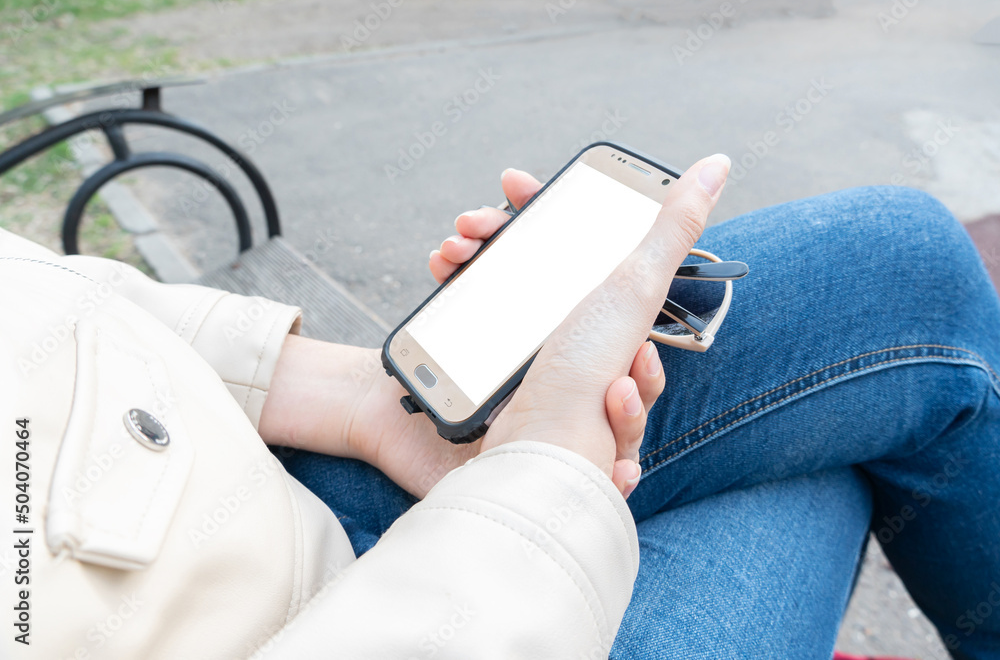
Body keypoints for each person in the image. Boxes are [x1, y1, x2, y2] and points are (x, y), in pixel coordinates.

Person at [1, 154, 997, 660]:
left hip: (265, 471)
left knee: (901, 259)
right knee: (827, 445)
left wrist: (348, 396)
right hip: (345, 624)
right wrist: (539, 482)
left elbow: (58, 303)